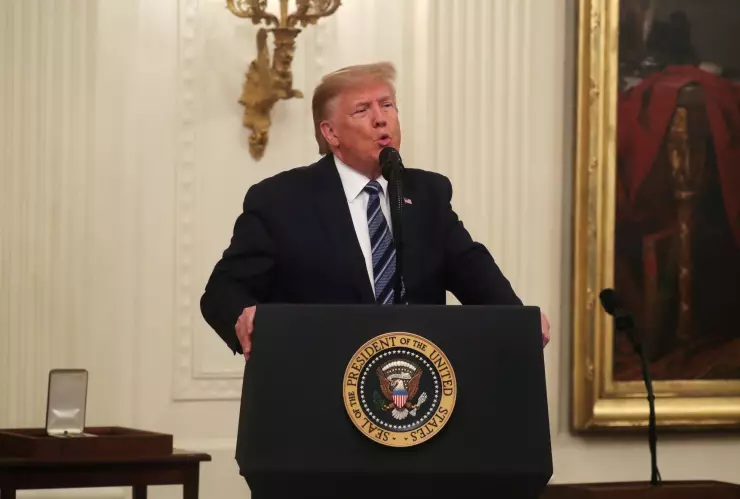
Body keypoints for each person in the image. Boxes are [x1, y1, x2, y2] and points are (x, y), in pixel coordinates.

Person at [200, 61, 551, 360]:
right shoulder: (281, 200)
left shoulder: (427, 194)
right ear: (331, 133)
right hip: (318, 388)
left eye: (387, 105)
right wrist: (242, 318)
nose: (381, 120)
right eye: (363, 110)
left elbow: (474, 272)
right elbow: (222, 292)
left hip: (415, 396)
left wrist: (519, 321)